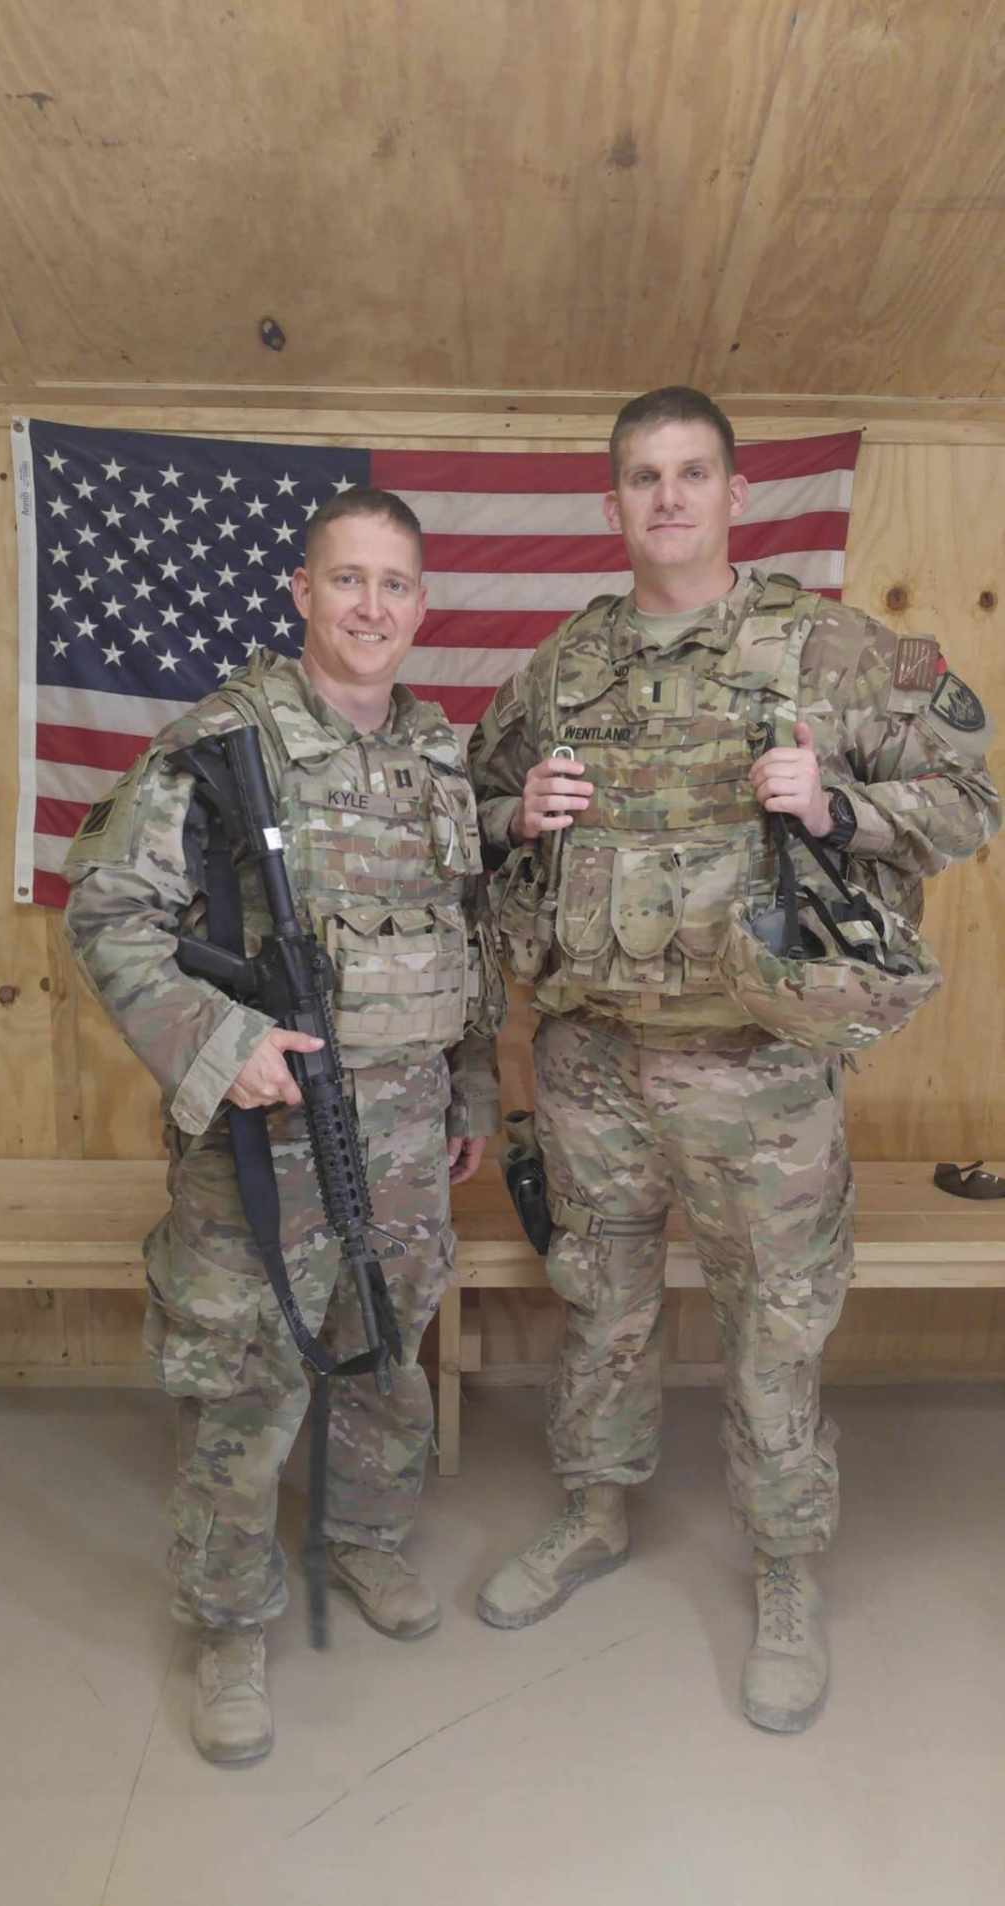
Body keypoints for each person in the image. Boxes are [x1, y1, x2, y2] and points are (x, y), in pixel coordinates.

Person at [467, 386, 999, 1732]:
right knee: (601, 1303)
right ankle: (592, 1513)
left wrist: (835, 802)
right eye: (641, 477)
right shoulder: (559, 668)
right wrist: (511, 809)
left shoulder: (822, 648)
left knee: (774, 1327)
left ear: (731, 491)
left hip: (758, 1070)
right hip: (588, 1062)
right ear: (610, 504)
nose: (665, 498)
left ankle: (782, 1569)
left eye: (689, 472)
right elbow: (460, 813)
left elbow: (968, 796)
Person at [64, 488, 504, 1764]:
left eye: (394, 585)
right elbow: (109, 915)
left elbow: (467, 940)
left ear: (420, 606)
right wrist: (221, 1042)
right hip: (265, 1136)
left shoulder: (437, 754)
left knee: (386, 1355)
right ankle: (229, 1623)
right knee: (244, 1389)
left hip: (411, 1131)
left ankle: (363, 1541)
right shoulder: (218, 742)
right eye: (346, 580)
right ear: (301, 592)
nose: (371, 606)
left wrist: (472, 1091)